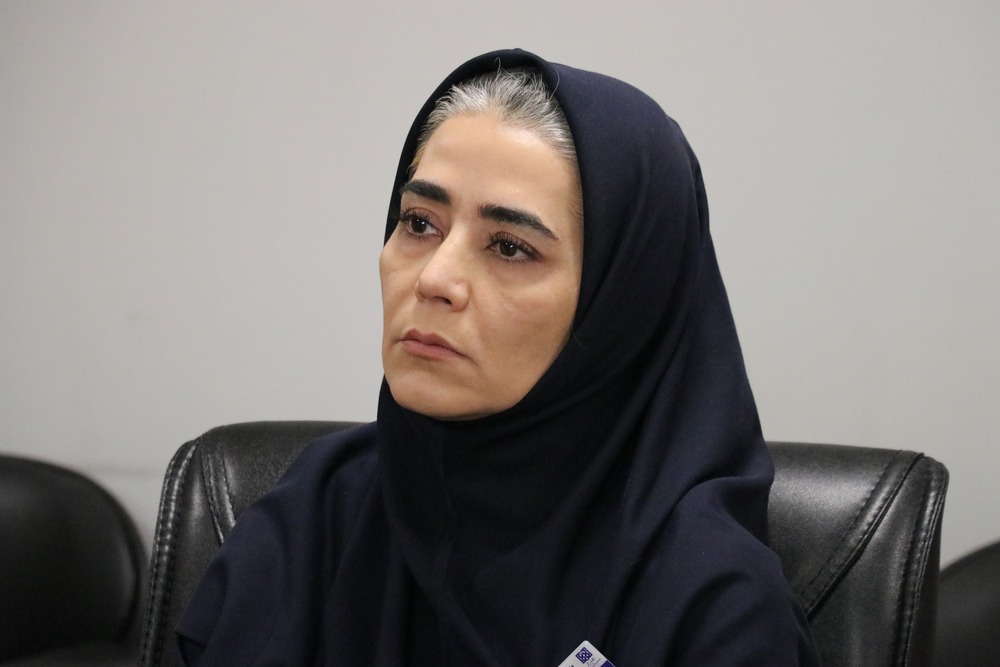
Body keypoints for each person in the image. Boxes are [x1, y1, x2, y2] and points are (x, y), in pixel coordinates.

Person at [176, 48, 820, 665]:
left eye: (510, 247)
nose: (434, 279)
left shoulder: (712, 602)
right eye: (419, 223)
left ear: (618, 303)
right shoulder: (317, 511)